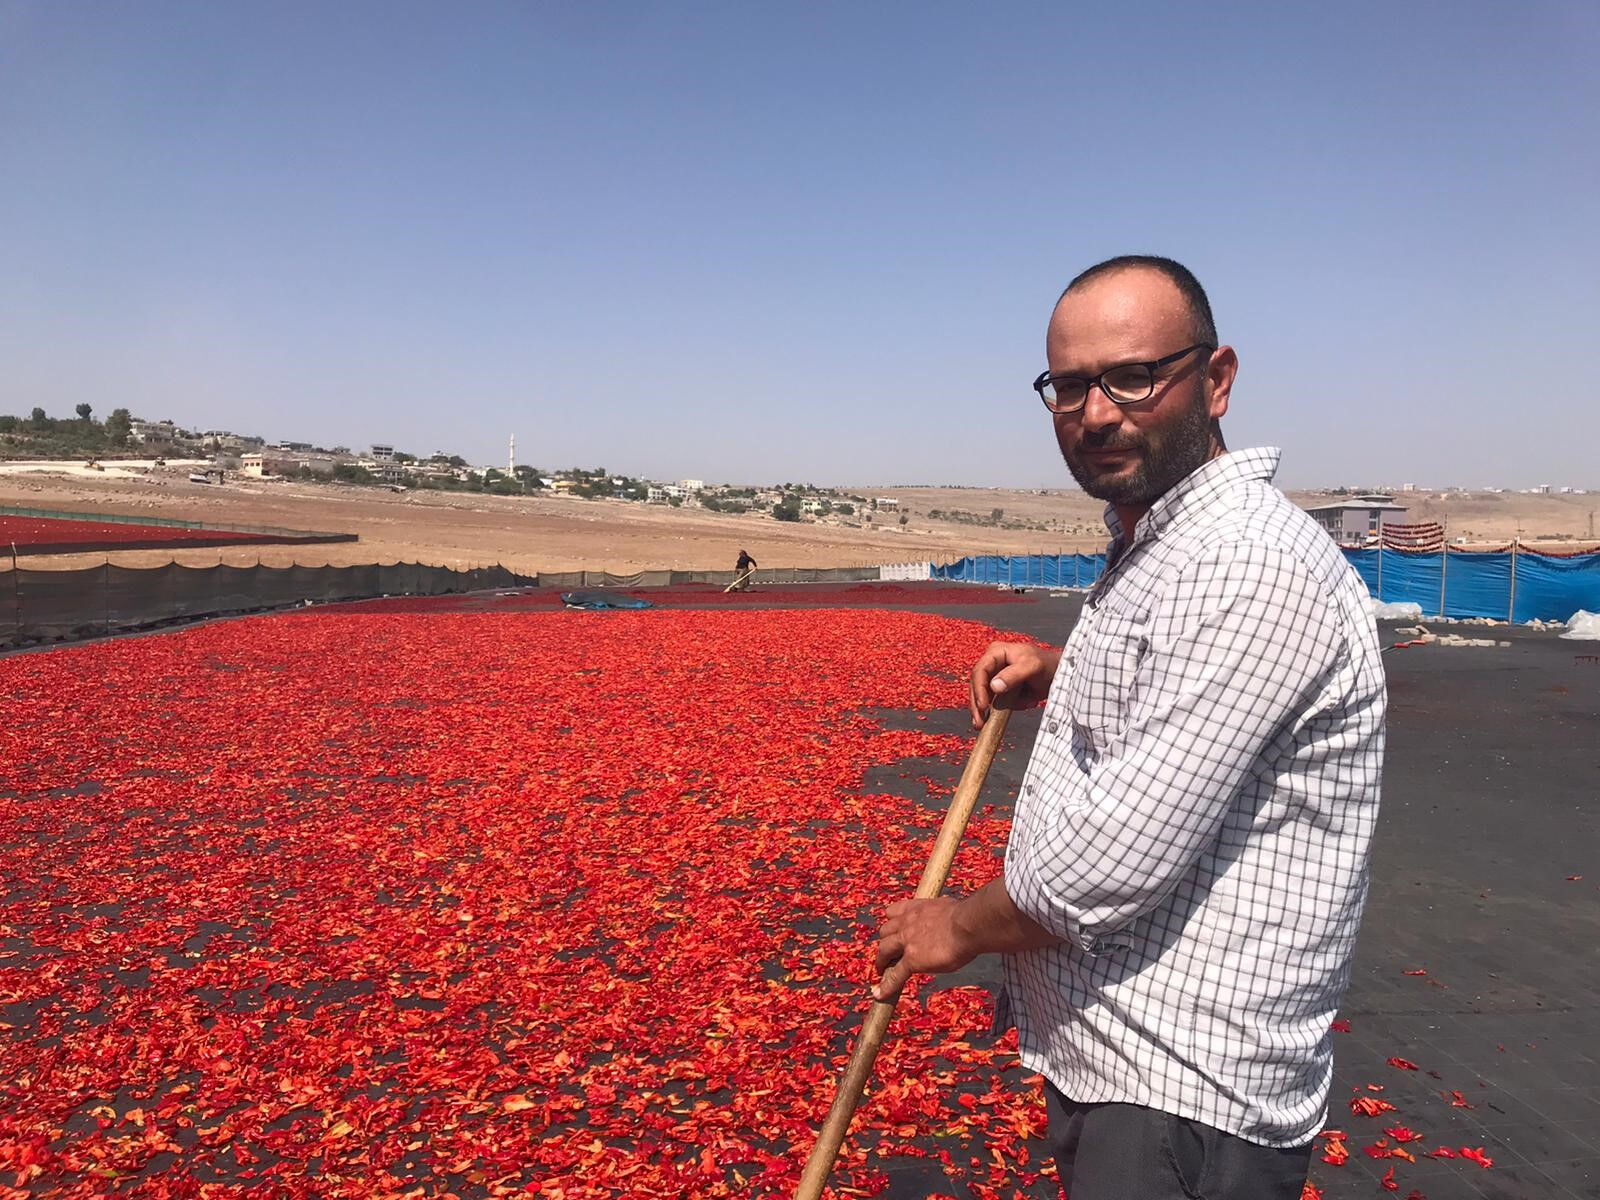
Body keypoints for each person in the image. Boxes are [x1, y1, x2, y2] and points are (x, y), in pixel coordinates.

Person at [872, 256, 1386, 1200]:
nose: (1097, 412)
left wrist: (957, 926)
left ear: (1217, 379)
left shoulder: (1244, 565)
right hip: (1131, 1071)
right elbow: (1194, 701)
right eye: (1069, 388)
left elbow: (1105, 866)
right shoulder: (1168, 544)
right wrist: (1061, 677)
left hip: (1181, 1094)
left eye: (1133, 376)